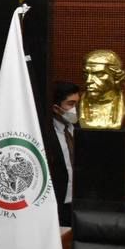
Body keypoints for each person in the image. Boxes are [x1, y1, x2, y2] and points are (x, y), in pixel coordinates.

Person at [42, 81, 80, 226]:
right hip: (57, 202)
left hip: (78, 203)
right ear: (56, 108)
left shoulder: (80, 128)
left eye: (77, 104)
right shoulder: (45, 134)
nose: (75, 109)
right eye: (70, 104)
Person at [80, 48, 125, 129]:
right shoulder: (77, 105)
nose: (88, 81)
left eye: (99, 74)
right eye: (86, 74)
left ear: (116, 77)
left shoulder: (124, 106)